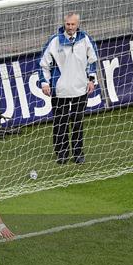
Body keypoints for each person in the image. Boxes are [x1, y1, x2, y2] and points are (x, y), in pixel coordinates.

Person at [39, 13, 98, 165]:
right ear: (64, 24)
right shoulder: (54, 41)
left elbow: (93, 60)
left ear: (78, 24)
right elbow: (43, 64)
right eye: (68, 24)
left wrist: (91, 79)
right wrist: (45, 83)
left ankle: (78, 153)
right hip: (60, 90)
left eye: (73, 24)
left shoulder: (85, 39)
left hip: (80, 88)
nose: (70, 27)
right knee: (61, 122)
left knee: (78, 122)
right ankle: (62, 153)